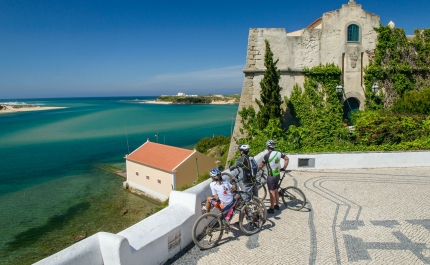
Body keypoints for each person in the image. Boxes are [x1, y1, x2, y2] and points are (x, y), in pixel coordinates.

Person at [258, 140, 289, 214]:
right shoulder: (279, 153)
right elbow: (287, 158)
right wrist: (284, 168)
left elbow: (261, 165)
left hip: (271, 176)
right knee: (275, 190)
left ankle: (272, 208)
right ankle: (277, 205)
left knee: (271, 192)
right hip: (277, 174)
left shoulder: (267, 156)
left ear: (267, 147)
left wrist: (258, 169)